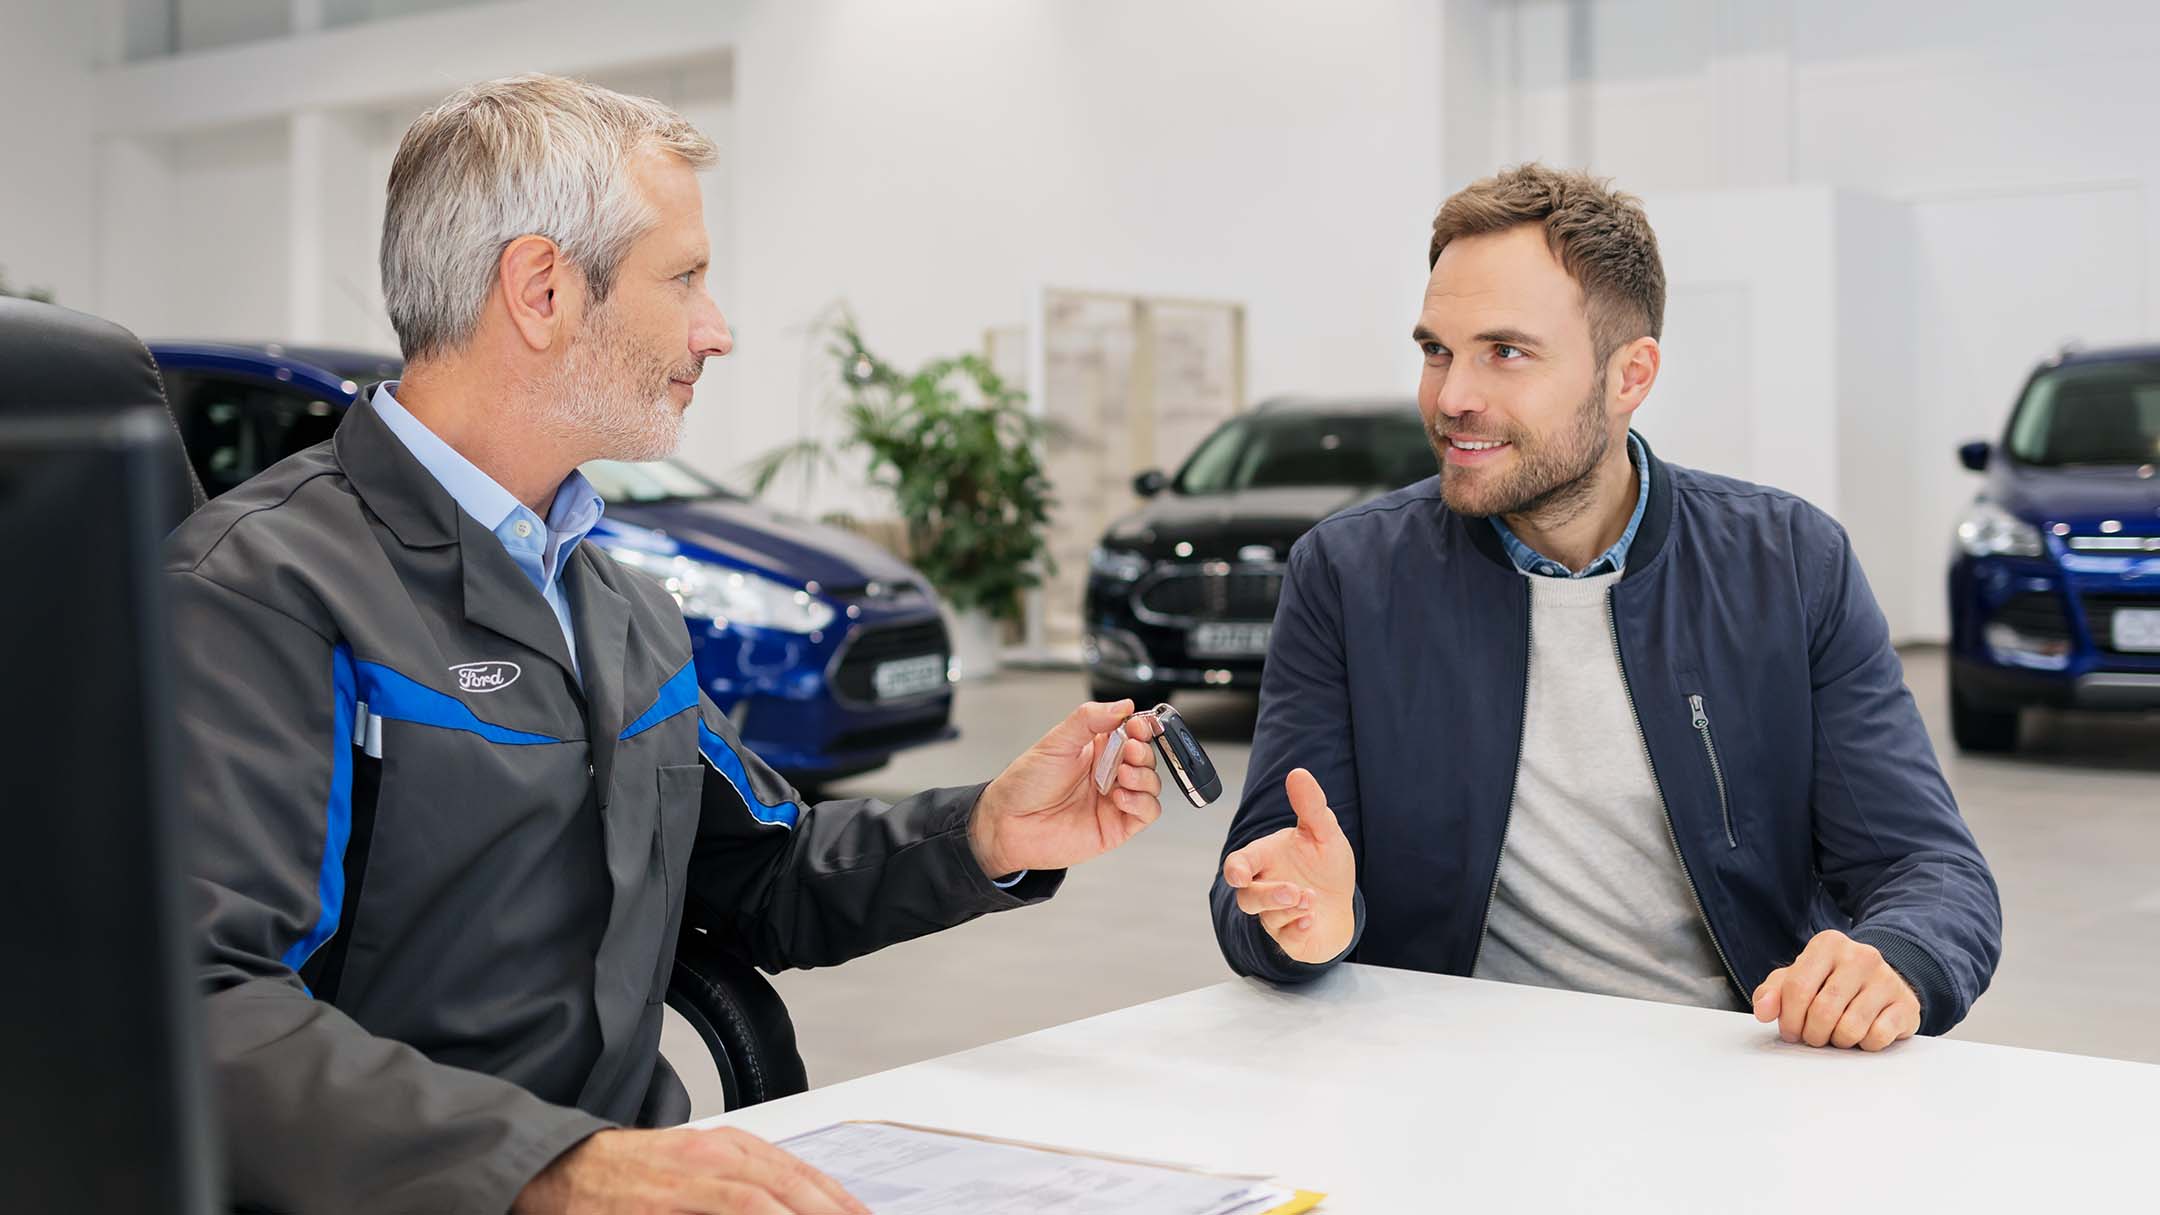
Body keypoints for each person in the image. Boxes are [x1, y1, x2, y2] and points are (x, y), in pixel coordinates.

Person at [168, 75, 1166, 1214]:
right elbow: (200, 1008)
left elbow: (760, 871)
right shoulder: (260, 591)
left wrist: (984, 831)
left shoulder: (616, 602)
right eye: (684, 278)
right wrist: (553, 1169)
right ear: (542, 290)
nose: (717, 328)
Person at [1210, 163, 2001, 1054]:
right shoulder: (1348, 574)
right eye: (1437, 349)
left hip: (1730, 1066)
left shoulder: (1788, 561)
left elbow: (1930, 869)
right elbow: (1266, 869)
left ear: (1631, 375)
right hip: (1440, 1073)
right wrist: (1292, 921)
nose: (1451, 395)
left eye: (1504, 351)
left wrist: (1894, 956)